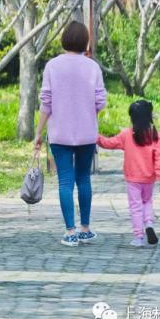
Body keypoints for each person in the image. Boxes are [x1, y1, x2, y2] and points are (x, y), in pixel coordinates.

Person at [33, 20, 107, 248]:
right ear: (85, 42)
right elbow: (100, 101)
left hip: (60, 135)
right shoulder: (92, 67)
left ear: (64, 40)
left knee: (66, 182)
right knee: (83, 179)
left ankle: (70, 231)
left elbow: (46, 103)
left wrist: (38, 133)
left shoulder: (52, 66)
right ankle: (85, 228)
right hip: (87, 134)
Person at [97, 99, 160, 248]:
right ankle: (149, 224)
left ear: (132, 118)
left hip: (133, 179)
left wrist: (96, 137)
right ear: (149, 117)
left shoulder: (127, 135)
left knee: (135, 206)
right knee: (147, 201)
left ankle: (138, 237)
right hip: (149, 178)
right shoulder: (155, 135)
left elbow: (108, 143)